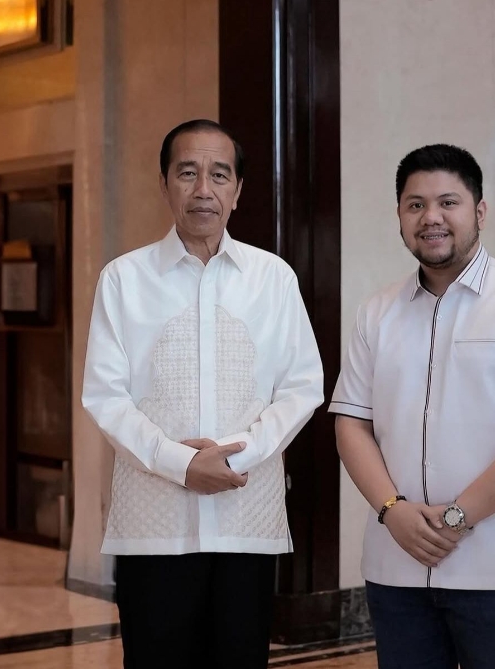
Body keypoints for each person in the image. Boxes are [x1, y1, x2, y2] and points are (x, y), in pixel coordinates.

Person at [328, 143, 495, 669]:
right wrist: (392, 510)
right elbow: (351, 423)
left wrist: (458, 516)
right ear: (400, 216)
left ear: (480, 211)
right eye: (415, 205)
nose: (431, 217)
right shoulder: (376, 312)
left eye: (449, 202)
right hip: (396, 567)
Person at [82, 118, 324, 669]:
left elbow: (301, 386)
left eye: (219, 174)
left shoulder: (273, 278)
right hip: (153, 527)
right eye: (187, 172)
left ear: (237, 190)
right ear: (164, 184)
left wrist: (236, 455)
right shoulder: (123, 278)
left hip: (247, 520)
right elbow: (105, 396)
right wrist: (182, 463)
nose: (203, 189)